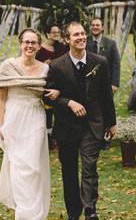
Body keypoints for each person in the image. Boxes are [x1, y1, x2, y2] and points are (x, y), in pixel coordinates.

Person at [46, 21, 116, 220]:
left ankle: (90, 209)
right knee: (69, 172)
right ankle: (73, 212)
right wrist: (68, 102)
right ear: (67, 39)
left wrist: (111, 123)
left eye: (83, 34)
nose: (81, 37)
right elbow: (48, 97)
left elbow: (106, 96)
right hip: (67, 127)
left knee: (89, 168)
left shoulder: (99, 62)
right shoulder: (57, 65)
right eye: (76, 35)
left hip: (92, 125)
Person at [0, 28, 59, 220]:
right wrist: (0, 124)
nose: (30, 46)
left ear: (39, 46)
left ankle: (35, 214)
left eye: (34, 42)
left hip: (35, 117)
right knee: (18, 166)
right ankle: (23, 213)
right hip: (13, 118)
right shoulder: (8, 66)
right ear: (20, 44)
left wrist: (56, 94)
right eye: (26, 42)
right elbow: (1, 99)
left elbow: (52, 94)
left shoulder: (46, 69)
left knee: (33, 166)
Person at [86, 17, 120, 94]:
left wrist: (115, 84)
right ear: (90, 27)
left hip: (106, 82)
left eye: (97, 25)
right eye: (93, 25)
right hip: (88, 83)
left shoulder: (111, 44)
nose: (95, 27)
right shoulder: (84, 42)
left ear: (102, 27)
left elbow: (116, 64)